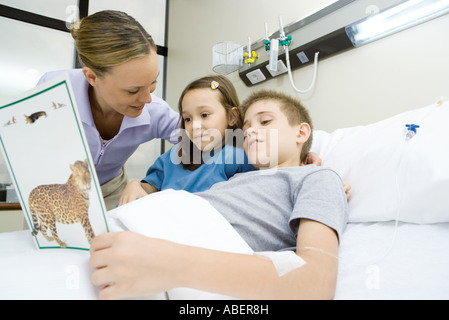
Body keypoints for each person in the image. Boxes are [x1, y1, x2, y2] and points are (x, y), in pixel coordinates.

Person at [89, 89, 348, 300]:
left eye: (265, 121)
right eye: (245, 129)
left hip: (161, 258)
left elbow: (315, 285)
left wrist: (170, 264)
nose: (250, 132)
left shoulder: (318, 177)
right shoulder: (235, 178)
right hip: (132, 231)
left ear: (301, 133)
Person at [37, 10, 179, 210]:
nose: (147, 98)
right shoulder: (53, 92)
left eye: (153, 82)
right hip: (57, 190)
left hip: (113, 193)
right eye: (133, 90)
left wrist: (150, 184)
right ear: (92, 77)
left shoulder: (155, 111)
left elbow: (206, 142)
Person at [118, 75, 255, 206]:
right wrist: (135, 185)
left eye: (204, 115)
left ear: (231, 116)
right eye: (188, 119)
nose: (194, 126)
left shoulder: (240, 155)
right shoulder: (176, 154)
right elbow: (151, 186)